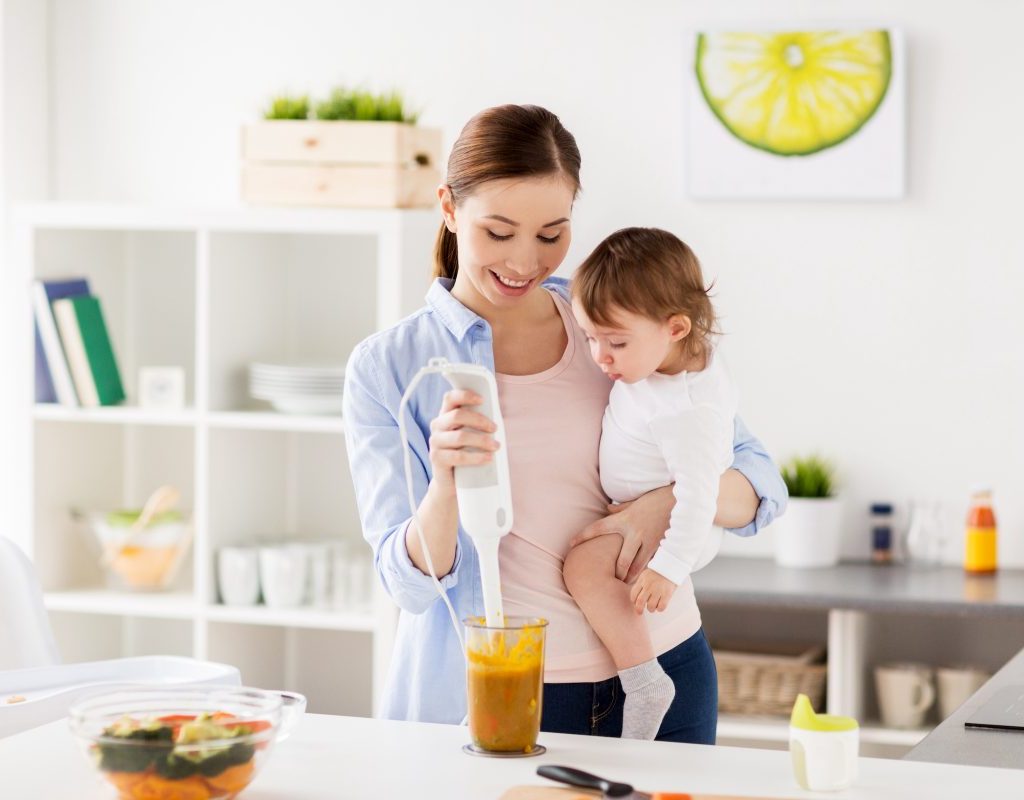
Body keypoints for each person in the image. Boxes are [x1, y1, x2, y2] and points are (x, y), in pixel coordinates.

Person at [343, 104, 787, 743]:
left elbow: (757, 481)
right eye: (498, 233)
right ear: (448, 207)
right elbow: (408, 587)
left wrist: (660, 505)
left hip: (669, 664)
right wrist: (445, 483)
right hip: (519, 692)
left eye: (551, 235)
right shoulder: (390, 366)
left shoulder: (610, 314)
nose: (525, 262)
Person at [565, 227, 736, 740]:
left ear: (676, 328)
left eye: (616, 342)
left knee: (584, 566)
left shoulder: (686, 408)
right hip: (646, 511)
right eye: (590, 338)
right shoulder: (658, 365)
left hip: (678, 530)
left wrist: (667, 568)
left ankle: (643, 683)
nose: (601, 357)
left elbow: (700, 494)